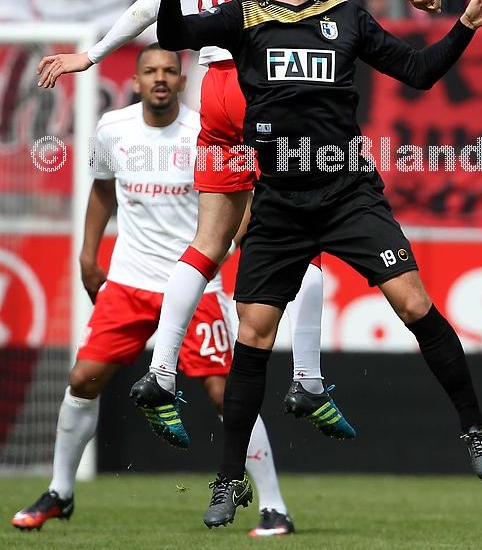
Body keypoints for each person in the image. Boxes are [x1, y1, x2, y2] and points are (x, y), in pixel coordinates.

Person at [35, 0, 442, 449]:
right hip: (258, 87)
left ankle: (161, 373)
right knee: (308, 229)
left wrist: (91, 55)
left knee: (208, 243)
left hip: (213, 92)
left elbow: (150, 6)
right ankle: (307, 380)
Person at [153, 0, 482, 529]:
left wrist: (465, 27)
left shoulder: (346, 17)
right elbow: (176, 34)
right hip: (279, 202)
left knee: (414, 303)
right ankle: (230, 477)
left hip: (348, 193)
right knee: (254, 335)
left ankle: (474, 427)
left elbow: (419, 71)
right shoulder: (245, 16)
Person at [12, 44, 294, 538]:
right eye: (150, 71)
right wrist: (87, 254)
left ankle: (274, 506)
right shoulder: (112, 129)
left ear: (183, 81)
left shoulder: (207, 132)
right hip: (129, 280)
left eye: (169, 71)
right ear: (136, 81)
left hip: (195, 285)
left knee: (225, 392)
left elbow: (246, 194)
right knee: (83, 378)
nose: (160, 78)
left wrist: (227, 247)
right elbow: (102, 189)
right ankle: (60, 491)